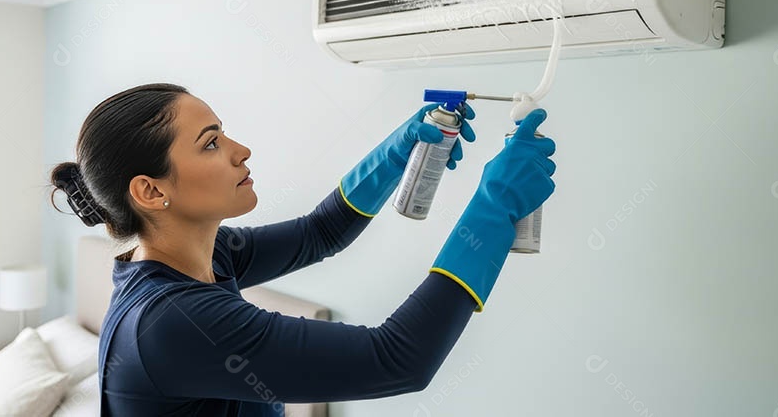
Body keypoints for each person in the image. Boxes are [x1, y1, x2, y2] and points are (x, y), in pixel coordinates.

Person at [49, 82, 556, 416]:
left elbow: (320, 234)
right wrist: (494, 210)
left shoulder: (198, 255)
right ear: (152, 191)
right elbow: (398, 360)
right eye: (210, 143)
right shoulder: (173, 324)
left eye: (222, 133)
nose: (240, 150)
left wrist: (397, 150)